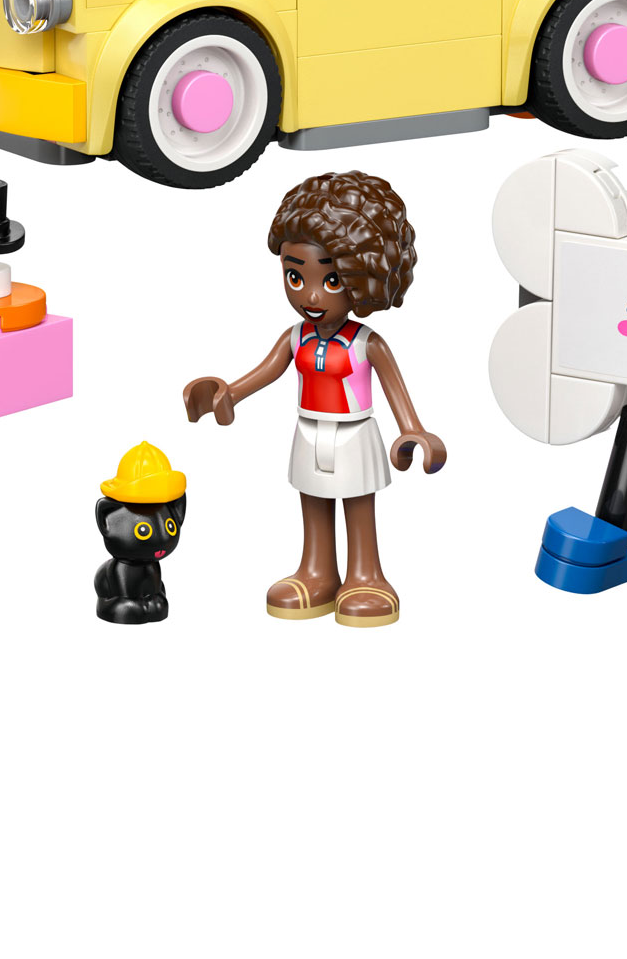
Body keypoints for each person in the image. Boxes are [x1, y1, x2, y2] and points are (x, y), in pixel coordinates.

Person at [183, 171, 445, 627]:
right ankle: (318, 572)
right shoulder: (296, 336)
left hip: (354, 432)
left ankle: (366, 574)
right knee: (313, 501)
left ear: (363, 278)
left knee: (358, 502)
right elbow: (265, 371)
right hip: (308, 429)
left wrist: (413, 431)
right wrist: (228, 394)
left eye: (331, 279)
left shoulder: (366, 343)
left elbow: (395, 390)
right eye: (295, 276)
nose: (311, 295)